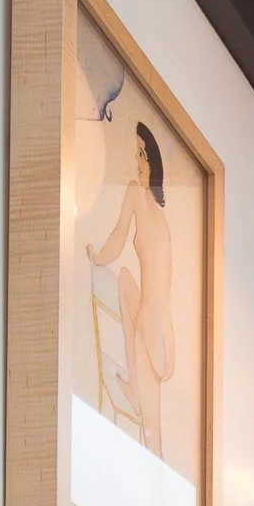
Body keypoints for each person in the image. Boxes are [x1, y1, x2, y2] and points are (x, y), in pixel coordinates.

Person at [89, 120, 175, 456]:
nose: (137, 160)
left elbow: (119, 236)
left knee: (153, 441)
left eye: (141, 154)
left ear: (152, 162)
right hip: (161, 325)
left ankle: (138, 394)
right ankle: (136, 391)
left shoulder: (136, 194)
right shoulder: (161, 220)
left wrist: (97, 258)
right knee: (125, 278)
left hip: (151, 325)